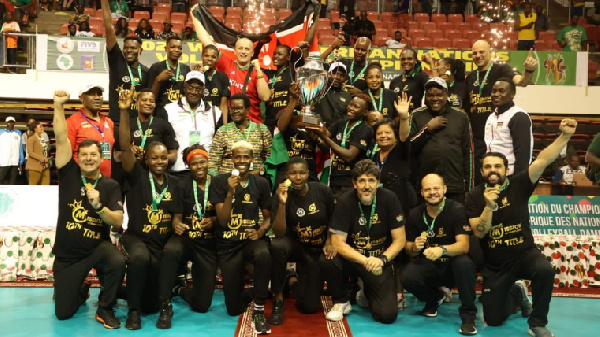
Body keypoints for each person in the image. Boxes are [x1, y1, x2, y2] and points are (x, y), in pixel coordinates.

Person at [465, 118, 579, 337]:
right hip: (496, 264)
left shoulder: (519, 184)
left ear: (506, 169)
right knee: (493, 320)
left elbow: (543, 160)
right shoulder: (474, 196)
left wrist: (565, 136)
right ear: (481, 172)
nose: (493, 170)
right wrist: (488, 207)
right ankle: (516, 294)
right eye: (487, 167)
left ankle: (537, 322)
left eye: (497, 166)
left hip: (524, 254)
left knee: (544, 270)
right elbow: (479, 232)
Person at [51, 90, 125, 329]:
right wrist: (58, 106)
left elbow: (117, 222)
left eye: (93, 154)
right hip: (68, 256)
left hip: (96, 248)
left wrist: (99, 207)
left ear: (99, 157)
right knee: (64, 313)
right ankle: (79, 290)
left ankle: (105, 307)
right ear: (78, 157)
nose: (89, 159)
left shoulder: (110, 186)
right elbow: (62, 138)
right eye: (84, 155)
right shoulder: (69, 174)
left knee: (116, 260)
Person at [117, 87, 183, 330]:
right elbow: (125, 146)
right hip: (137, 238)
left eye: (163, 158)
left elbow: (178, 213)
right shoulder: (136, 177)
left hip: (160, 243)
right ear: (145, 159)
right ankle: (132, 311)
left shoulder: (175, 184)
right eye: (154, 158)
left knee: (152, 305)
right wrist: (124, 112)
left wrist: (178, 221)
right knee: (139, 258)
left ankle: (139, 299)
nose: (159, 162)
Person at [327, 159, 406, 323]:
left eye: (371, 180)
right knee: (328, 258)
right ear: (354, 183)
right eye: (362, 180)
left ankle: (365, 289)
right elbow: (337, 242)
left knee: (387, 315)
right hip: (354, 260)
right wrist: (364, 260)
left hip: (379, 260)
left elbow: (400, 240)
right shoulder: (345, 201)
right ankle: (341, 301)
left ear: (378, 183)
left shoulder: (390, 199)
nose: (366, 186)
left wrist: (382, 259)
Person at [209, 140, 273, 334]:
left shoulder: (261, 183)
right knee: (233, 309)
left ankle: (259, 309)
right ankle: (249, 292)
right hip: (228, 244)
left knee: (263, 253)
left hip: (250, 241)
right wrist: (230, 192)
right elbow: (222, 220)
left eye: (246, 157)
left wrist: (261, 231)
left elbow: (269, 218)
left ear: (252, 159)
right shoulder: (220, 181)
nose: (242, 160)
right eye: (238, 157)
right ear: (232, 159)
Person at [401, 174, 477, 335]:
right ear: (421, 192)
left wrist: (442, 250)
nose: (432, 192)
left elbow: (464, 246)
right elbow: (407, 247)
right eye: (427, 189)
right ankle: (434, 298)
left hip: (453, 266)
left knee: (464, 263)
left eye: (436, 188)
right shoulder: (415, 214)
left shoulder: (456, 210)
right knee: (407, 277)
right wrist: (414, 246)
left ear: (444, 189)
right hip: (429, 265)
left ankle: (468, 316)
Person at [268, 156, 337, 325]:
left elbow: (334, 219)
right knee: (277, 245)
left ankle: (291, 280)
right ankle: (278, 299)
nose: (297, 177)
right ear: (286, 175)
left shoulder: (322, 191)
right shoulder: (280, 195)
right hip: (296, 246)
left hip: (316, 249)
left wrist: (329, 241)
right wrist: (283, 204)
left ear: (308, 174)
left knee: (308, 306)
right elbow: (278, 233)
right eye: (293, 173)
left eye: (302, 173)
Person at [156, 144, 217, 328]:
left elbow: (225, 215)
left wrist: (213, 220)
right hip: (187, 238)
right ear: (188, 166)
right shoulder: (181, 185)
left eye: (202, 162)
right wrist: (178, 225)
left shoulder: (218, 184)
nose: (199, 167)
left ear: (208, 162)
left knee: (202, 305)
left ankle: (179, 289)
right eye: (194, 163)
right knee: (170, 249)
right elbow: (176, 218)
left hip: (207, 243)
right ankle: (165, 303)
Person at [467, 40, 536, 183]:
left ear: (490, 53)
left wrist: (528, 71)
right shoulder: (471, 77)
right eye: (474, 53)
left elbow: (520, 82)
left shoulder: (500, 70)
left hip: (501, 135)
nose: (478, 55)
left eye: (481, 52)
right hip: (478, 140)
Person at [192, 5, 271, 124]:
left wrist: (259, 70)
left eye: (246, 49)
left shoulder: (257, 72)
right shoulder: (227, 64)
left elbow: (265, 97)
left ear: (252, 52)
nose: (243, 52)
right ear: (235, 51)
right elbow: (207, 41)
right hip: (229, 124)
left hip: (252, 124)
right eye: (240, 48)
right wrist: (195, 16)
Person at [409, 77, 473, 204]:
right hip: (427, 186)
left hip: (454, 185)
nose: (435, 99)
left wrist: (469, 188)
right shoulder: (417, 115)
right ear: (425, 96)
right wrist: (427, 129)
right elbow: (409, 147)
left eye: (439, 95)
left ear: (447, 94)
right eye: (431, 95)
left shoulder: (461, 117)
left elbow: (469, 153)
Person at [311, 94, 373, 199]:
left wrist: (324, 138)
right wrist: (316, 135)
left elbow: (349, 156)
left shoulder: (365, 129)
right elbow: (326, 144)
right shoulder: (342, 122)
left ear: (365, 112)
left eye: (356, 107)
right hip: (334, 178)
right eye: (350, 104)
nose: (350, 108)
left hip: (351, 181)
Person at [102, 0, 149, 125]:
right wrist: (104, 3)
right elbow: (109, 29)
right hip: (116, 122)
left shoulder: (146, 71)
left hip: (137, 123)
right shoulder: (117, 62)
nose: (129, 50)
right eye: (126, 47)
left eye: (133, 48)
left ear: (140, 50)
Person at [165, 71, 222, 174]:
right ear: (184, 88)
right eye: (190, 88)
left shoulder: (215, 112)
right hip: (178, 170)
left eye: (198, 89)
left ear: (203, 90)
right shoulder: (169, 110)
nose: (194, 92)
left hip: (205, 170)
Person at [208, 93, 272, 176]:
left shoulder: (261, 130)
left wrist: (261, 172)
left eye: (239, 108)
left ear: (247, 109)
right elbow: (213, 161)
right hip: (228, 180)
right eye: (232, 108)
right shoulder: (222, 131)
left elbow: (270, 159)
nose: (235, 111)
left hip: (255, 180)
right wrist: (219, 183)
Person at [114, 88, 178, 166]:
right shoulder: (127, 125)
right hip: (132, 172)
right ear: (136, 103)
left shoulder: (164, 125)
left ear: (155, 105)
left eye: (152, 101)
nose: (148, 103)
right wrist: (129, 153)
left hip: (156, 172)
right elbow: (116, 156)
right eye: (144, 100)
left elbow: (173, 155)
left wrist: (156, 158)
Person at [484, 78, 533, 176]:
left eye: (502, 91)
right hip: (492, 174)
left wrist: (518, 180)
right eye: (494, 91)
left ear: (512, 94)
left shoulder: (518, 116)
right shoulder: (491, 117)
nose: (496, 94)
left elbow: (523, 153)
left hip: (511, 175)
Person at [275, 82, 322, 182]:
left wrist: (317, 139)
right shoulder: (284, 113)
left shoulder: (315, 116)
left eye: (302, 94)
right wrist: (293, 100)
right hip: (288, 166)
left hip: (309, 167)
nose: (299, 97)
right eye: (298, 94)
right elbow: (282, 126)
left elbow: (325, 146)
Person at [66, 83, 116, 178]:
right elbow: (66, 157)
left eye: (99, 94)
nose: (97, 97)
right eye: (92, 94)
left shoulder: (109, 122)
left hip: (105, 180)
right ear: (81, 98)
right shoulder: (72, 122)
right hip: (81, 180)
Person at [147, 36, 191, 119]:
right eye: (173, 47)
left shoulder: (186, 69)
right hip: (161, 114)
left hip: (180, 115)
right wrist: (158, 80)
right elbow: (150, 96)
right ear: (166, 48)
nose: (176, 50)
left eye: (179, 48)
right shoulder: (156, 67)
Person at [263, 44, 296, 134]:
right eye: (274, 54)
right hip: (269, 120)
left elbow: (302, 59)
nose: (275, 56)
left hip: (285, 119)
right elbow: (253, 65)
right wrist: (259, 45)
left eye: (280, 54)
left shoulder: (292, 72)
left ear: (288, 57)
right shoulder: (269, 74)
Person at [199, 44, 230, 123]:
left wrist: (224, 126)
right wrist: (198, 76)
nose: (210, 59)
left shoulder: (223, 77)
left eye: (213, 57)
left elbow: (223, 105)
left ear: (217, 59)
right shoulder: (195, 75)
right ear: (201, 56)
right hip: (199, 119)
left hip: (216, 120)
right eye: (206, 56)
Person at [0, 116, 24, 184]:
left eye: (12, 122)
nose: (11, 124)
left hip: (15, 161)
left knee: (12, 180)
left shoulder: (18, 133)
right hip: (3, 161)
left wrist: (20, 161)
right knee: (1, 179)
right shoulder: (1, 132)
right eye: (9, 122)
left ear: (14, 123)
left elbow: (20, 148)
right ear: (6, 123)